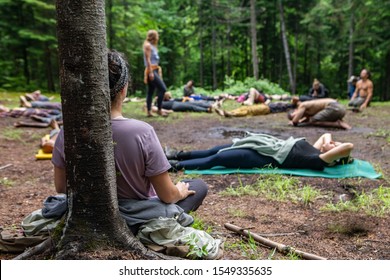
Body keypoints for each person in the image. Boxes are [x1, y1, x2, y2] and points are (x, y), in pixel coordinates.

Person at [52, 50, 208, 234]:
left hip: (88, 213)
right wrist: (179, 191)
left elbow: (61, 187)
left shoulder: (68, 131)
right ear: (124, 88)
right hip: (138, 217)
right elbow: (167, 195)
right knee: (198, 186)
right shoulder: (142, 131)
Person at [166, 132, 354, 172]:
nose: (332, 142)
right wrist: (328, 142)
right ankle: (176, 154)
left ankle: (172, 166)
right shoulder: (316, 148)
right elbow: (326, 134)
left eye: (335, 145)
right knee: (216, 148)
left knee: (218, 158)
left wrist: (331, 148)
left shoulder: (320, 159)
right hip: (267, 145)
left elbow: (349, 147)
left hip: (267, 156)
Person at [143, 30, 168, 117]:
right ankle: (159, 109)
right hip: (151, 70)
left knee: (150, 91)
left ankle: (149, 112)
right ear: (153, 36)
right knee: (163, 89)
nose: (158, 37)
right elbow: (148, 59)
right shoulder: (148, 45)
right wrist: (150, 72)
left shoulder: (153, 46)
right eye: (157, 35)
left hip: (155, 69)